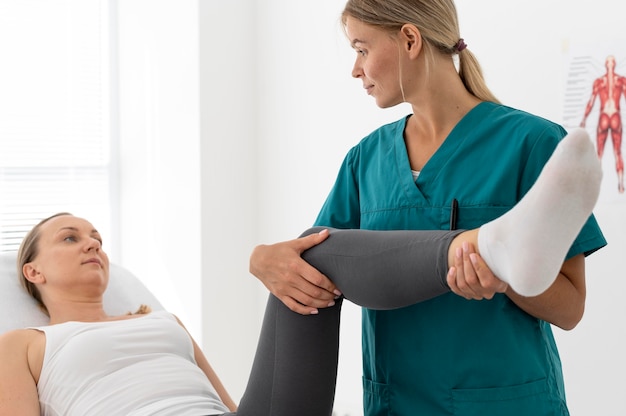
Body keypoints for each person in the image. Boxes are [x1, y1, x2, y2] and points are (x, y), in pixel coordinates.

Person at [0, 133, 603, 416]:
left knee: (310, 261)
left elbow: (231, 405)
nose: (93, 246)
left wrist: (264, 256)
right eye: (70, 237)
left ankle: (491, 248)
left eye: (98, 238)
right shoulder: (26, 344)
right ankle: (491, 247)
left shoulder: (162, 320)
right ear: (31, 270)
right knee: (307, 258)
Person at [249, 1, 608, 415]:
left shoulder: (532, 143)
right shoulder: (366, 161)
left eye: (362, 49)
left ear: (409, 39)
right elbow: (317, 264)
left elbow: (570, 309)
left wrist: (505, 277)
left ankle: (499, 248)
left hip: (505, 404)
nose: (355, 69)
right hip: (397, 405)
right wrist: (261, 259)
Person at [580, 54, 626, 193]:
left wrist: (584, 119)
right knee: (617, 152)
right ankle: (621, 184)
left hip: (604, 116)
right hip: (615, 116)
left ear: (606, 65)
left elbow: (591, 102)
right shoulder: (621, 81)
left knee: (599, 152)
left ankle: (595, 186)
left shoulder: (600, 82)